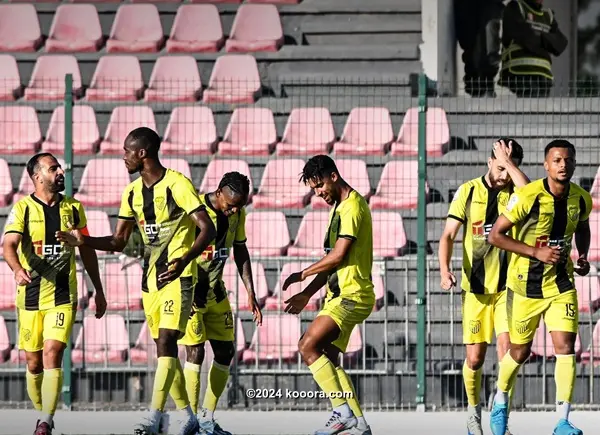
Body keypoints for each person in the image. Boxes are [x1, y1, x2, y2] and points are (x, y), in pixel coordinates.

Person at [56, 127, 217, 435]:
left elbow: (206, 228)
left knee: (169, 340)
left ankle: (154, 416)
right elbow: (120, 242)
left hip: (179, 277)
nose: (123, 157)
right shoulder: (131, 194)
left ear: (142, 153)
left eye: (127, 152)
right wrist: (83, 241)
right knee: (163, 349)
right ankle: (188, 416)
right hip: (150, 282)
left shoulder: (177, 184)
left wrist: (184, 259)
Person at [487, 139, 591, 435]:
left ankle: (562, 420)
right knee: (519, 352)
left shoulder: (581, 198)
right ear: (546, 164)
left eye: (568, 160)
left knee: (566, 348)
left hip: (561, 285)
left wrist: (582, 255)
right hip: (525, 287)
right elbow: (495, 235)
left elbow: (583, 227)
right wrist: (535, 252)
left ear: (574, 163)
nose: (563, 165)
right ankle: (500, 398)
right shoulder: (528, 196)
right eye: (557, 160)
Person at [3, 153, 107, 435]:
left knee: (53, 352)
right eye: (53, 169)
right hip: (30, 298)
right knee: (33, 362)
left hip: (62, 296)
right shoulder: (22, 209)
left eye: (60, 167)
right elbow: (9, 244)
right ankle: (42, 414)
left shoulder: (73, 209)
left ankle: (45, 422)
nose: (61, 171)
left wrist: (98, 289)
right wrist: (15, 269)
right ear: (37, 177)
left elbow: (86, 248)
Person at [438, 139, 527, 435]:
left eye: (509, 168)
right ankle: (473, 411)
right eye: (499, 166)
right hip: (474, 288)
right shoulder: (468, 191)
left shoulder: (515, 194)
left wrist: (510, 164)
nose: (503, 175)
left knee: (507, 354)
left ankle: (500, 412)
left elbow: (528, 192)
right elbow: (449, 235)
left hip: (507, 289)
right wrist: (443, 268)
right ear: (489, 162)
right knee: (474, 359)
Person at [282, 155, 374, 435]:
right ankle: (360, 425)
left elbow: (338, 256)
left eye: (319, 186)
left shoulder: (352, 208)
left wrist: (302, 274)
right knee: (330, 360)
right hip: (340, 295)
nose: (318, 193)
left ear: (334, 176)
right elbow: (332, 262)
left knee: (307, 345)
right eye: (313, 189)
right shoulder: (338, 209)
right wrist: (307, 294)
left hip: (353, 295)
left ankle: (342, 412)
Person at [177, 172, 263, 435]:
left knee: (225, 352)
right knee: (196, 352)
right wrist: (183, 291)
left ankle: (206, 418)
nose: (234, 210)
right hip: (192, 292)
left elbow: (240, 250)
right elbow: (176, 251)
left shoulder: (238, 214)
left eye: (240, 205)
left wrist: (251, 291)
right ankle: (189, 421)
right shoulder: (196, 212)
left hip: (217, 292)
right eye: (230, 204)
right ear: (218, 193)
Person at [499, 0, 568, 97]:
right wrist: (546, 41)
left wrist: (538, 36)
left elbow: (561, 43)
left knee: (540, 111)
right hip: (520, 74)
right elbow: (526, 37)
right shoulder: (515, 7)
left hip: (544, 77)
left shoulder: (548, 16)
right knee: (525, 110)